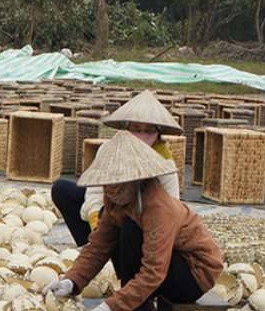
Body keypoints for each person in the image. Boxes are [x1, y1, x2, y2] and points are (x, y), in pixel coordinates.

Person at [44, 131, 223, 311]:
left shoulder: (158, 208)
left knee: (131, 228)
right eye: (107, 182)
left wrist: (112, 307)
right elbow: (98, 246)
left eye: (115, 182)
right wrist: (72, 280)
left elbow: (154, 270)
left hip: (192, 274)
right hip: (164, 266)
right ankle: (134, 300)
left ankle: (138, 308)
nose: (109, 189)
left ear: (133, 179)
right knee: (120, 231)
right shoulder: (116, 199)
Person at [51, 90, 182, 246]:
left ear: (158, 133)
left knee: (130, 222)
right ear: (126, 129)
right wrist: (96, 221)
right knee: (62, 189)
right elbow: (95, 191)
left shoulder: (164, 162)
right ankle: (90, 246)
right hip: (110, 214)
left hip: (141, 226)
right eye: (136, 129)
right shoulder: (109, 150)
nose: (142, 136)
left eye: (149, 131)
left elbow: (172, 210)